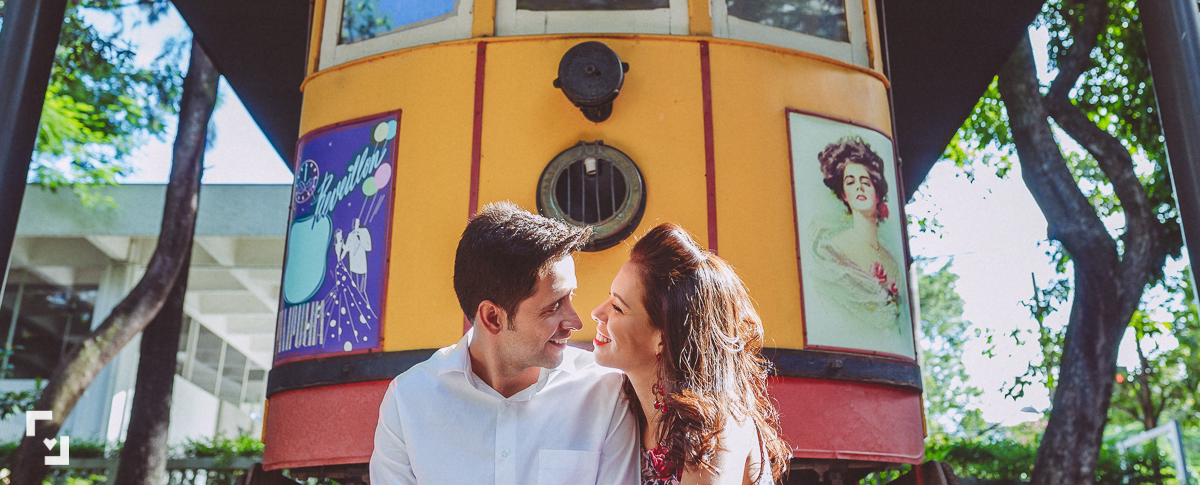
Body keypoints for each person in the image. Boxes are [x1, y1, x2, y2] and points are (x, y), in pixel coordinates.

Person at [369, 201, 639, 485]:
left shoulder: (606, 393)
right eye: (553, 306)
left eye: (570, 297)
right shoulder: (407, 402)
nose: (575, 321)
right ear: (492, 318)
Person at [590, 223, 792, 485]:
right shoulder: (623, 406)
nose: (597, 312)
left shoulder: (716, 428)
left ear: (662, 337)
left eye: (617, 307)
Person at [812, 137, 902, 325]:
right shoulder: (831, 250)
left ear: (877, 194)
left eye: (866, 182)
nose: (859, 187)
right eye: (850, 182)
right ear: (844, 195)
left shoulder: (891, 258)